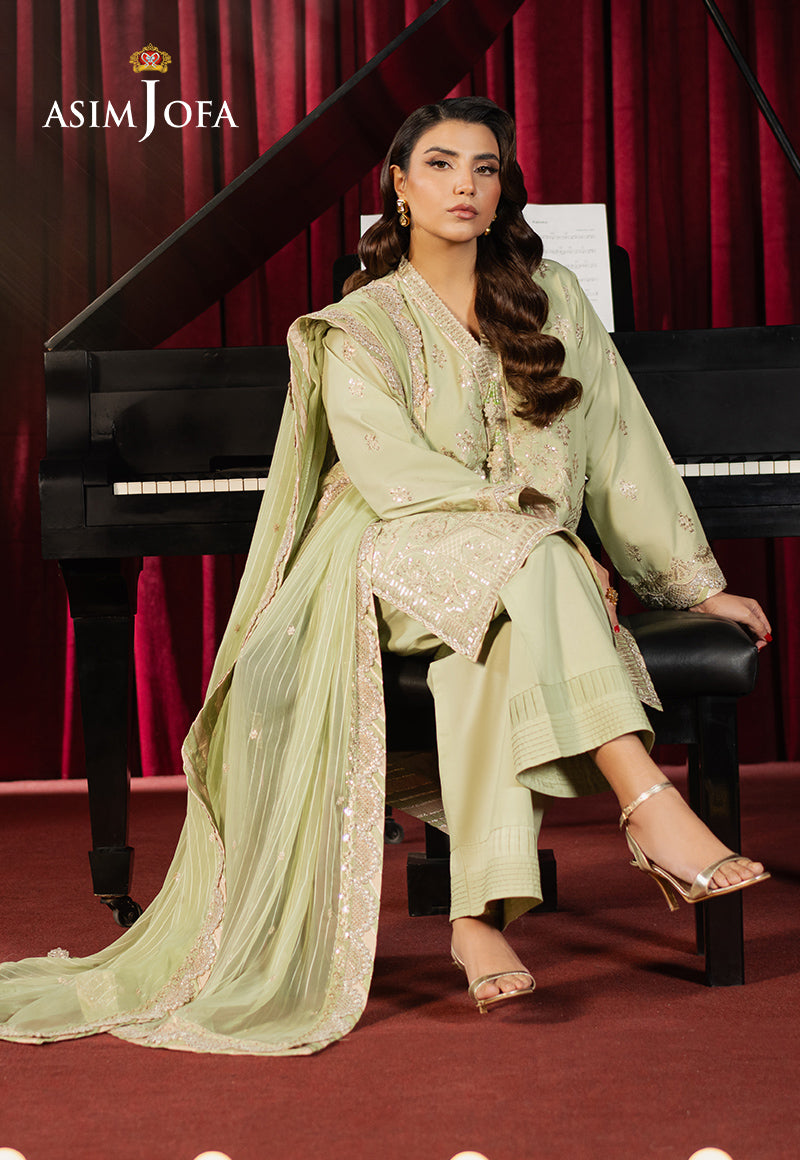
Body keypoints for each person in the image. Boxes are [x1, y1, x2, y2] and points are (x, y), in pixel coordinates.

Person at [0, 97, 770, 1051]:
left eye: (485, 168)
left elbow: (619, 444)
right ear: (399, 186)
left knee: (491, 637)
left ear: (503, 190)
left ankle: (475, 920)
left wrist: (692, 584)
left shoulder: (555, 296)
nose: (464, 185)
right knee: (538, 558)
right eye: (440, 165)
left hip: (509, 575)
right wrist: (542, 538)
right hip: (384, 555)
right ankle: (649, 802)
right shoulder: (352, 326)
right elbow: (395, 477)